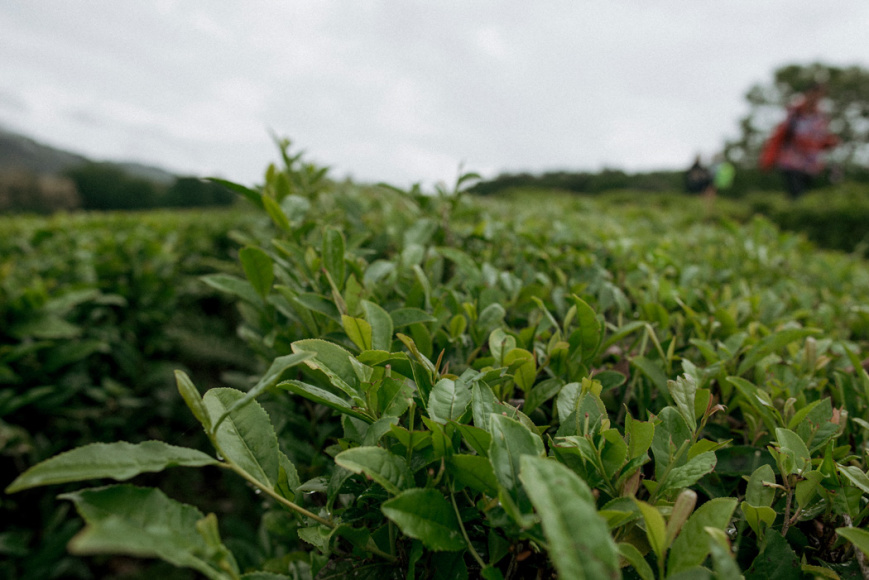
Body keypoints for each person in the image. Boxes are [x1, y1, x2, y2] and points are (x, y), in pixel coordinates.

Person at [759, 83, 838, 199]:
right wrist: (769, 158)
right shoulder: (794, 114)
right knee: (796, 194)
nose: (816, 98)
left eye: (819, 96)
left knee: (808, 196)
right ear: (807, 94)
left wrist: (830, 142)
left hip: (812, 166)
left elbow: (822, 139)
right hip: (791, 163)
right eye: (814, 94)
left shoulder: (821, 117)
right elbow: (779, 136)